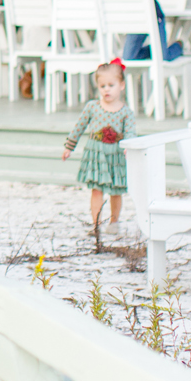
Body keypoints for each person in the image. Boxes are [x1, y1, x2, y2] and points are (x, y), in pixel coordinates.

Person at [62, 59, 133, 244]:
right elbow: (79, 127)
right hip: (96, 153)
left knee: (116, 190)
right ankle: (96, 224)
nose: (107, 89)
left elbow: (131, 132)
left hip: (115, 155)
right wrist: (69, 147)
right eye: (102, 86)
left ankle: (115, 222)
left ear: (122, 85)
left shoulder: (126, 112)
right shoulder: (92, 107)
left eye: (111, 85)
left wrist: (129, 146)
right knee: (96, 190)